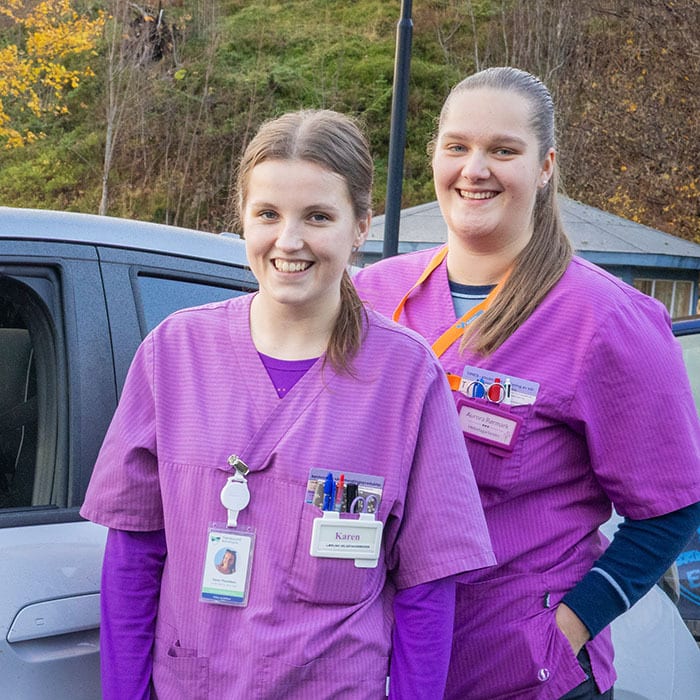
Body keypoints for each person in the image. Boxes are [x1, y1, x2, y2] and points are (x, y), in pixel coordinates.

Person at [80, 109, 495, 700]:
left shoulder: (406, 377)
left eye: (318, 217)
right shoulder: (174, 354)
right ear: (243, 221)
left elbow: (428, 589)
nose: (289, 240)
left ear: (360, 226)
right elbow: (133, 555)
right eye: (268, 214)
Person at [353, 66, 700, 699]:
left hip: (518, 674)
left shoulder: (607, 321)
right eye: (456, 146)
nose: (474, 169)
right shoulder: (369, 294)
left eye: (503, 150)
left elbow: (672, 510)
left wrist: (566, 628)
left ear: (544, 167)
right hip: (377, 666)